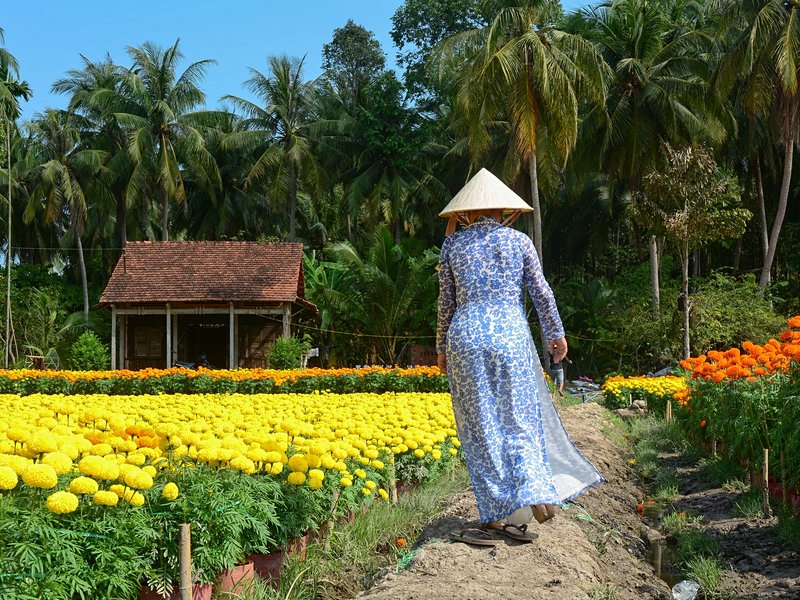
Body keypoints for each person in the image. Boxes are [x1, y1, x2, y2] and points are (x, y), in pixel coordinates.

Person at [436, 168, 604, 546]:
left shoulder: (452, 246)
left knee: (481, 425)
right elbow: (542, 294)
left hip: (465, 337)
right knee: (518, 417)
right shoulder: (519, 242)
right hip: (510, 335)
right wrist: (556, 335)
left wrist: (441, 348)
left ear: (465, 213)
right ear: (505, 211)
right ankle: (530, 495)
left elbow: (446, 303)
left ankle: (497, 514)